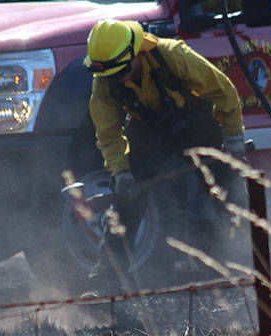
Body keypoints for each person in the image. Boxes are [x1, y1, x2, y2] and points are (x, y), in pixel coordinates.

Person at [85, 19, 247, 275]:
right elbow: (108, 133)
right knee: (129, 199)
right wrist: (121, 172)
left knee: (227, 187)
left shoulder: (173, 55)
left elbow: (223, 91)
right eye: (111, 75)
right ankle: (108, 278)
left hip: (194, 124)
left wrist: (233, 137)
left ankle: (248, 258)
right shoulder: (105, 81)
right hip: (149, 133)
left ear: (136, 52)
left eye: (121, 71)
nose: (118, 79)